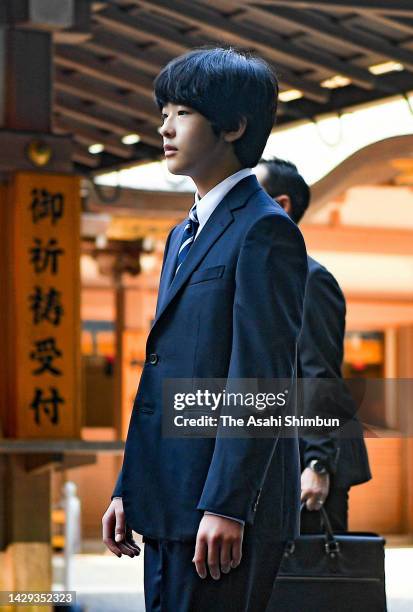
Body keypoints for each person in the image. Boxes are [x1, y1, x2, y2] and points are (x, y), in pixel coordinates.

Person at [102, 49, 308, 611]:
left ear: (234, 126)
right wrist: (129, 486)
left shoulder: (266, 230)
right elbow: (163, 371)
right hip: (168, 497)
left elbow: (260, 376)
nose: (165, 127)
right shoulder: (182, 234)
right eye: (162, 111)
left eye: (182, 112)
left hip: (222, 517)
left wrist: (227, 504)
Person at [255, 158, 371, 533]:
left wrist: (317, 464)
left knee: (316, 584)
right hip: (280, 458)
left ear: (281, 204)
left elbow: (318, 373)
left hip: (312, 461)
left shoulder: (309, 279)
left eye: (248, 191)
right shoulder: (263, 278)